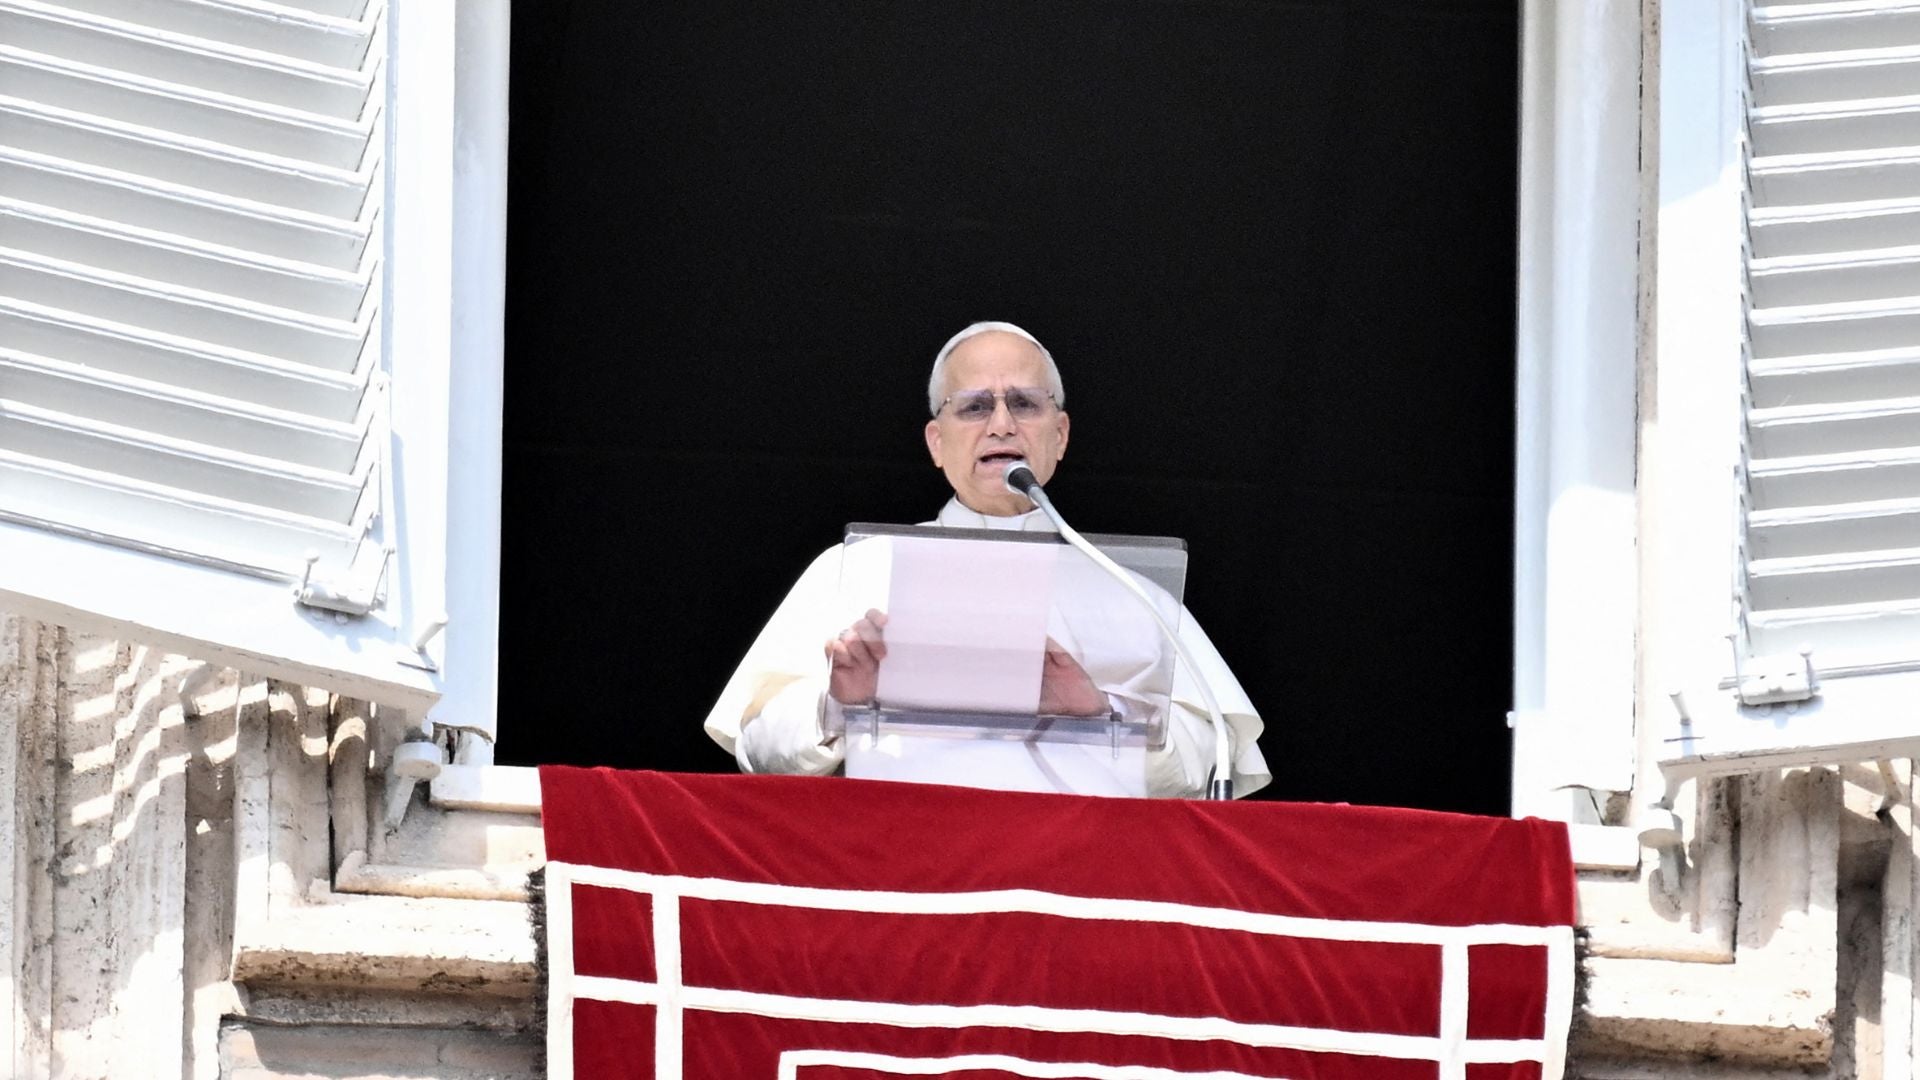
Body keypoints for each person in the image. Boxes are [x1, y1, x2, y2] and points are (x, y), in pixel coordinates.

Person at [702, 322, 1271, 798]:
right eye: (974, 406)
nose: (1002, 423)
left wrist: (1101, 719)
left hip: (1077, 883)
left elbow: (1210, 766)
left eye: (1024, 403)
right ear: (935, 441)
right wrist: (838, 705)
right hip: (901, 870)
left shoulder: (1127, 586)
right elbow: (758, 749)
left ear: (1061, 434)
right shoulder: (856, 570)